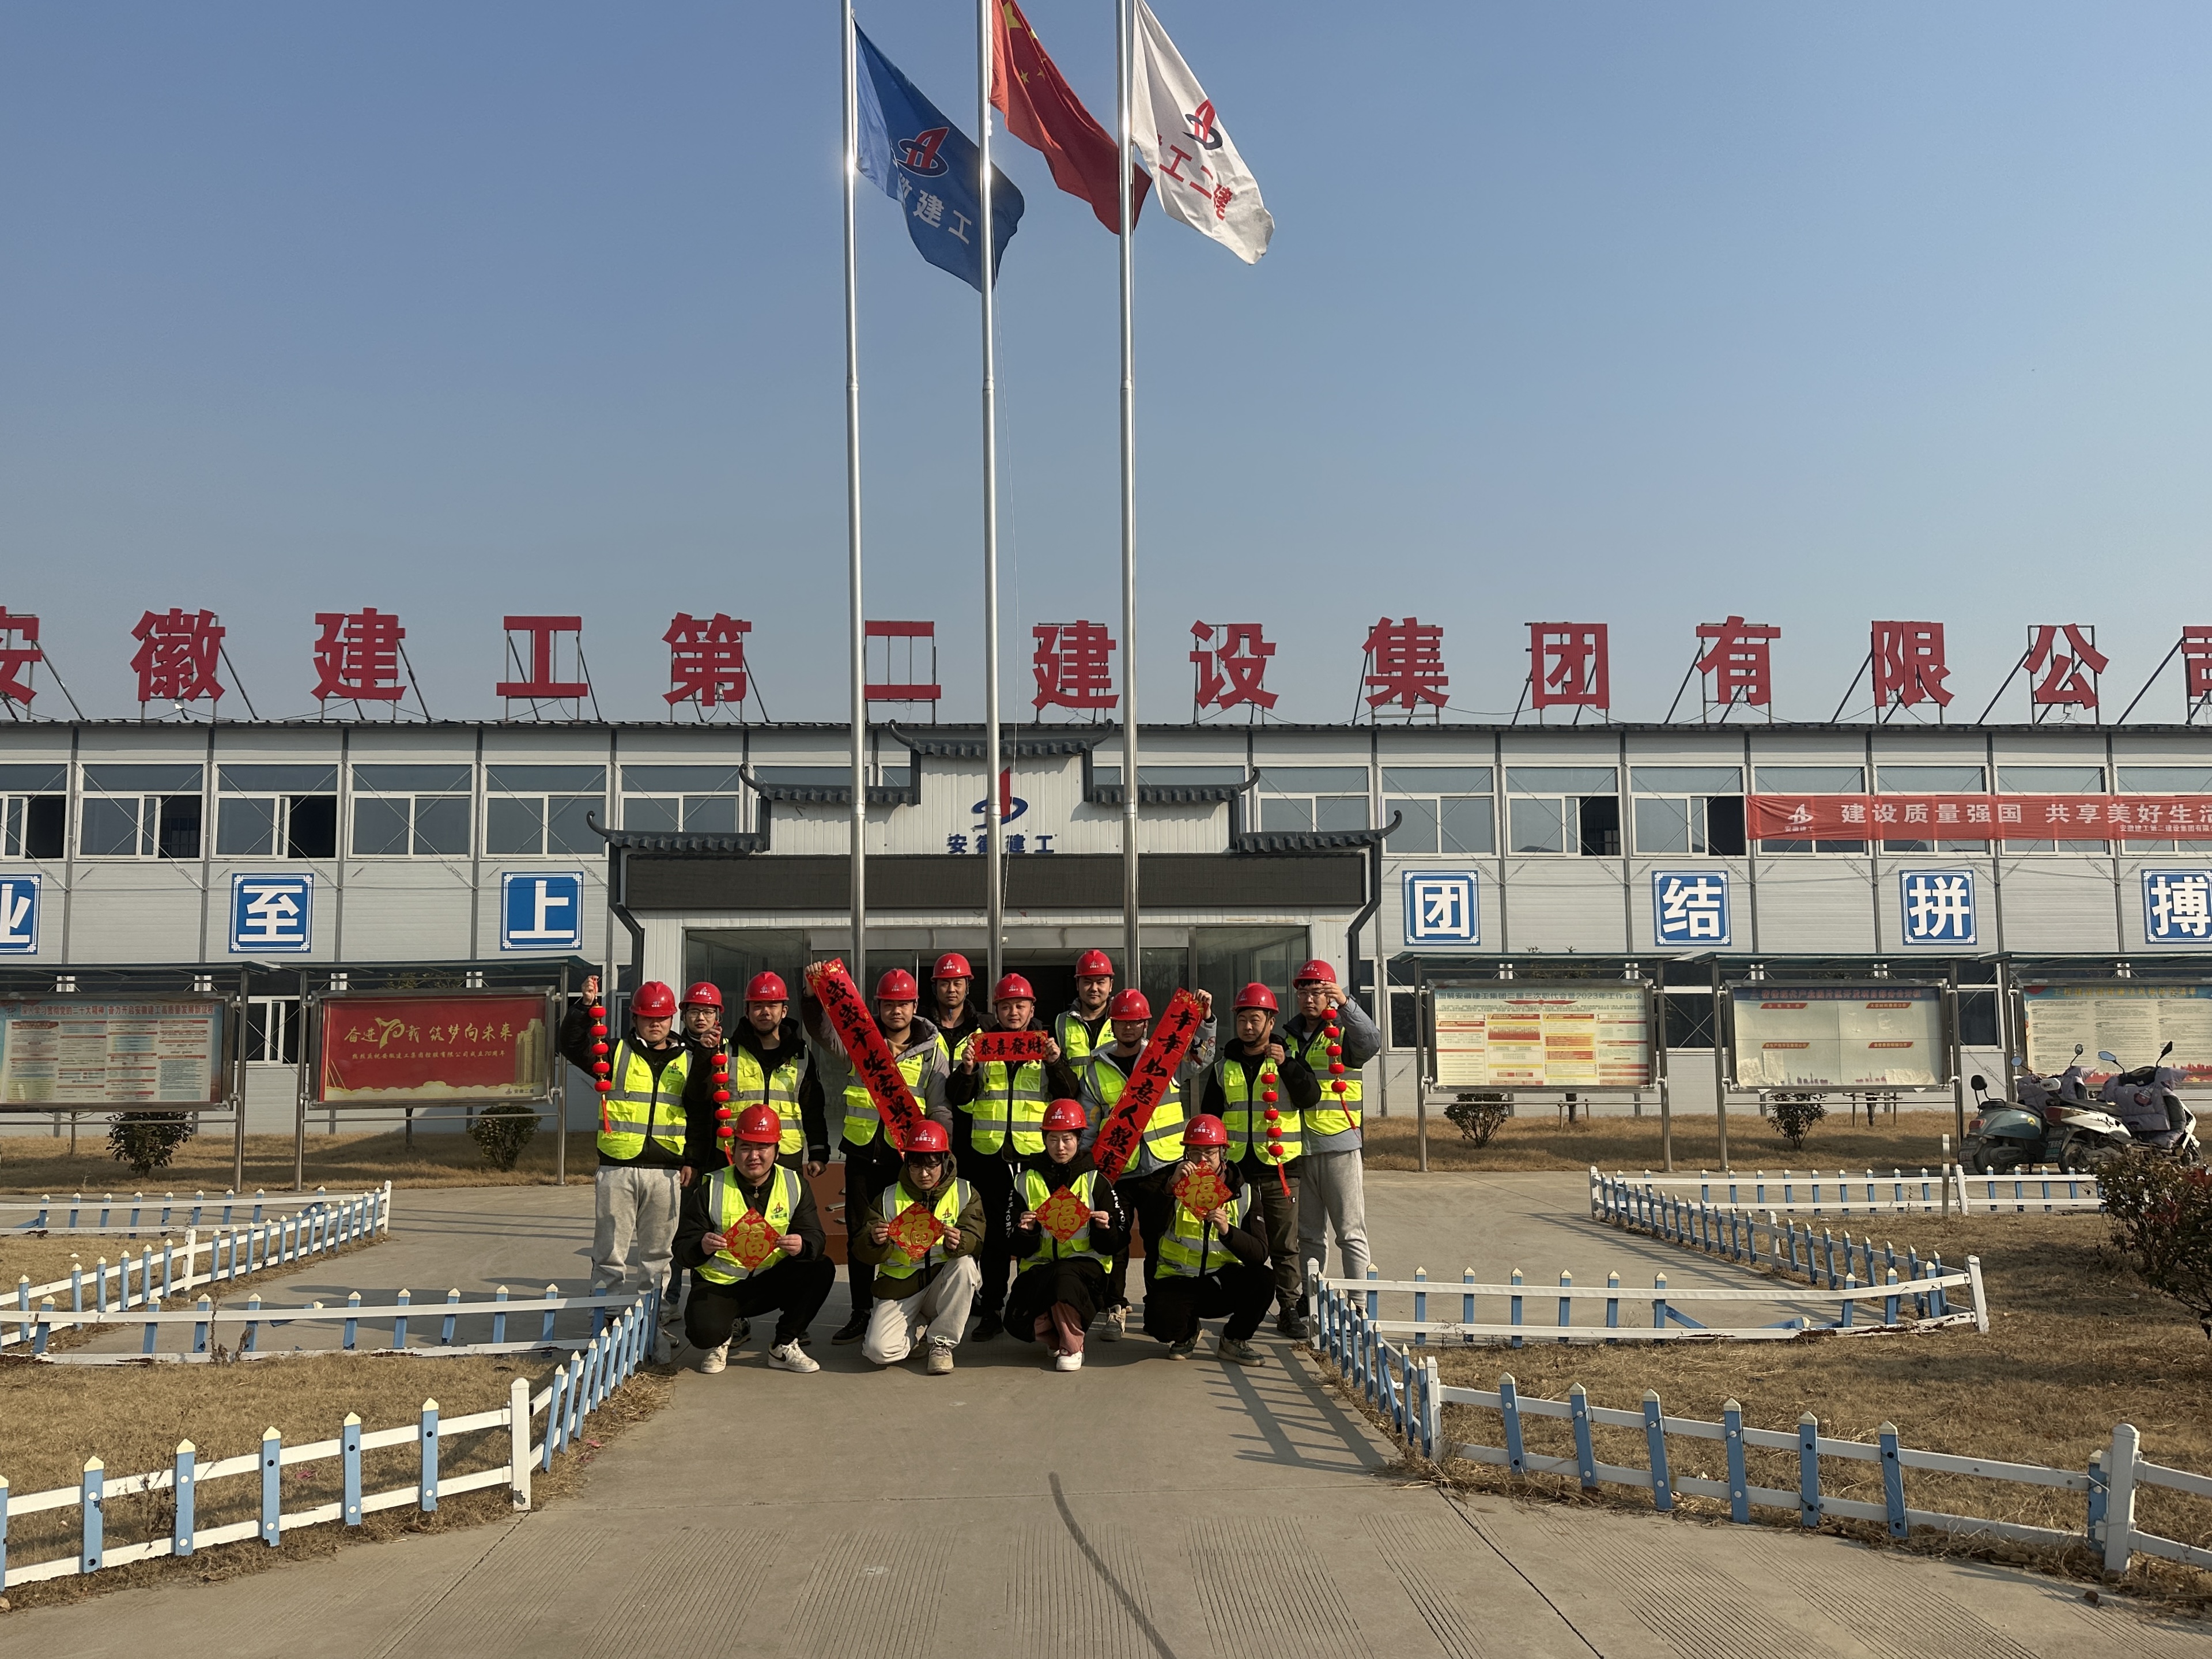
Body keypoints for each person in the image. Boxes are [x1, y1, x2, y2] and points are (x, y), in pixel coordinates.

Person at [560, 974, 693, 1356]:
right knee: (610, 1252)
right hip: (617, 1167)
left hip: (666, 1170)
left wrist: (692, 1161)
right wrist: (584, 1008)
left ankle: (652, 1324)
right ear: (635, 1018)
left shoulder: (688, 1060)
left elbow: (700, 1113)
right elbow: (571, 1046)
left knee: (658, 1257)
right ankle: (605, 1324)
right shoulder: (613, 1052)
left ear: (672, 1019)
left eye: (662, 1018)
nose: (655, 1024)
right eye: (648, 1017)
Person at [1077, 987, 1216, 1341]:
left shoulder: (1165, 1057)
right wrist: (1088, 1171)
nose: (1129, 1027)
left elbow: (1202, 1057)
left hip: (1164, 1167)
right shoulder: (1096, 1069)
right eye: (1122, 1022)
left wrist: (1206, 1021)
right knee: (1116, 1242)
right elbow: (1090, 1126)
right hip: (1118, 1171)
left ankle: (1159, 1308)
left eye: (1136, 1022)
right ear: (1112, 1025)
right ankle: (1115, 1308)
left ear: (1146, 1024)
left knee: (1161, 1242)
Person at [822, 966, 952, 1345]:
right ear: (877, 1006)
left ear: (915, 1005)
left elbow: (940, 1106)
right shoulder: (860, 1041)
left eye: (904, 1004)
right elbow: (825, 1034)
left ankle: (913, 1307)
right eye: (889, 1004)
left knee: (914, 1231)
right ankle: (861, 1311)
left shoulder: (933, 1049)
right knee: (861, 1236)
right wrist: (814, 999)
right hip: (863, 1155)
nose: (897, 1011)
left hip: (908, 1159)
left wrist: (941, 1155)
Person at [948, 973, 1081, 1341]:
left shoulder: (1046, 1046)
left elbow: (1069, 1094)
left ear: (1032, 1009)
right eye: (1006, 1006)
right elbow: (959, 1099)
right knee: (993, 1238)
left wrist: (1055, 1063)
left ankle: (1030, 1306)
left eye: (1020, 1005)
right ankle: (992, 1308)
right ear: (996, 1010)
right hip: (989, 1157)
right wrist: (968, 1069)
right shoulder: (980, 1045)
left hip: (1034, 1158)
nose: (1013, 1012)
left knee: (1033, 1232)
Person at [669, 1104, 833, 1374]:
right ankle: (720, 1340)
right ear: (733, 1150)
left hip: (771, 1280)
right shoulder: (711, 1186)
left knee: (821, 1268)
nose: (754, 1156)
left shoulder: (794, 1184)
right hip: (722, 1285)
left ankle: (784, 1345)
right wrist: (702, 1246)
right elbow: (681, 1248)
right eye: (745, 1147)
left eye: (763, 1147)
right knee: (702, 1334)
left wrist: (803, 1245)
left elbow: (815, 1236)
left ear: (777, 1151)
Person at [1199, 982, 1319, 1340]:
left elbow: (1310, 1097)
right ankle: (1239, 1302)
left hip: (1280, 1169)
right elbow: (1211, 1116)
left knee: (1285, 1244)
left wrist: (1288, 1066)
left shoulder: (1288, 1059)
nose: (1248, 1027)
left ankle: (1289, 1308)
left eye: (1255, 1019)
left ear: (1271, 1022)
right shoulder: (1223, 1066)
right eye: (1242, 1020)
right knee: (1234, 1238)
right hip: (1236, 1173)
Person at [1133, 1114, 1273, 1363]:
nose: (1203, 1160)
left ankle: (1233, 1339)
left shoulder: (1244, 1191)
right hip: (1180, 1279)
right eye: (1195, 1152)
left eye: (1210, 1152)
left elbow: (1260, 1253)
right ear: (1186, 1153)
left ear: (1223, 1153)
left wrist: (1228, 1231)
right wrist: (1170, 1189)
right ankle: (1188, 1333)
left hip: (1223, 1280)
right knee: (1159, 1325)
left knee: (1264, 1280)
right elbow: (1149, 1232)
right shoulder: (1170, 1183)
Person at [850, 1120, 985, 1375]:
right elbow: (861, 1251)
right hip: (900, 1287)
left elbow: (976, 1239)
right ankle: (918, 1330)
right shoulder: (888, 1197)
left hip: (941, 1286)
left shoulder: (965, 1192)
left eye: (931, 1165)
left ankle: (941, 1344)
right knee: (878, 1352)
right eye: (916, 1165)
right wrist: (874, 1241)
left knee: (966, 1265)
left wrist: (962, 1242)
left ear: (944, 1160)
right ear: (907, 1163)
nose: (924, 1174)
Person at [1005, 1098, 1126, 1371]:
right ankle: (1057, 1336)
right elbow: (1011, 1243)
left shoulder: (1096, 1181)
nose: (1060, 1147)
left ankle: (1072, 1346)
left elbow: (1117, 1242)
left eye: (1067, 1139)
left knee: (1063, 1278)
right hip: (1038, 1269)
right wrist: (1026, 1233)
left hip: (1085, 1272)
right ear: (1044, 1140)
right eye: (1053, 1139)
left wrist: (1105, 1229)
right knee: (1015, 1322)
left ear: (1079, 1139)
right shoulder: (1024, 1181)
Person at [1285, 959, 1377, 1304]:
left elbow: (1371, 1041)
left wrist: (1347, 1004)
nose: (1309, 999)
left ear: (1330, 995)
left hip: (1339, 1145)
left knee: (1349, 1232)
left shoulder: (1344, 1033)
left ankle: (1359, 1305)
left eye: (1317, 992)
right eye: (1303, 992)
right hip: (1300, 1146)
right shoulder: (1289, 1036)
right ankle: (1312, 1303)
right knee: (1308, 1234)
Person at [690, 972, 830, 1177]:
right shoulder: (726, 1052)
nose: (765, 1012)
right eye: (757, 1006)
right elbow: (699, 1097)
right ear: (747, 1012)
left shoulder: (800, 1055)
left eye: (772, 1006)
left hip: (786, 1153)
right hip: (735, 1153)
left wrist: (818, 1152)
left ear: (784, 1011)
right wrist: (704, 1054)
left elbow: (813, 1109)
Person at [1052, 949, 1118, 1065]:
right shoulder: (1060, 1023)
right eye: (1087, 982)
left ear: (1111, 985)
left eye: (1100, 982)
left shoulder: (1122, 1020)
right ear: (1077, 985)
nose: (1094, 988)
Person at [924, 952, 986, 1057]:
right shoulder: (922, 1026)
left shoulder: (984, 1025)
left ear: (967, 987)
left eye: (957, 984)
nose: (951, 990)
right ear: (935, 989)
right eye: (945, 984)